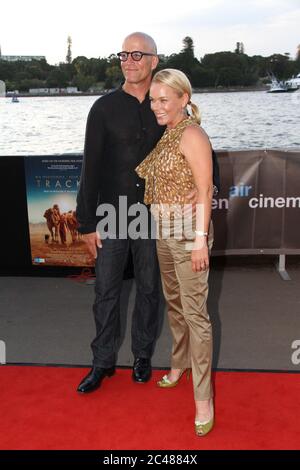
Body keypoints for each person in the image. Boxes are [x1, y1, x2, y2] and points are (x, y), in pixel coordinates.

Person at [75, 32, 166, 393]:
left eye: (137, 54)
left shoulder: (167, 102)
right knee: (106, 292)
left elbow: (195, 145)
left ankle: (142, 356)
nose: (129, 61)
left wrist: (212, 186)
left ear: (154, 61)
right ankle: (102, 362)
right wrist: (86, 223)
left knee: (148, 289)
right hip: (112, 213)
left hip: (153, 214)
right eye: (124, 54)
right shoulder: (103, 108)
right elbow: (90, 167)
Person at [136, 69, 215, 436]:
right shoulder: (167, 133)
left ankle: (204, 399)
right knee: (175, 303)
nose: (156, 106)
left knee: (196, 314)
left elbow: (205, 189)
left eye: (164, 99)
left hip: (188, 236)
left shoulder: (193, 134)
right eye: (153, 99)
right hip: (164, 233)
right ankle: (178, 364)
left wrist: (200, 240)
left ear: (184, 99)